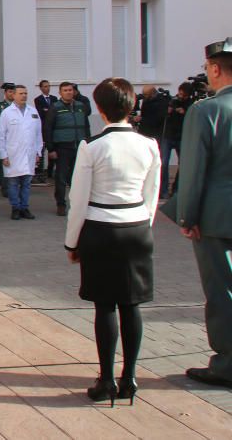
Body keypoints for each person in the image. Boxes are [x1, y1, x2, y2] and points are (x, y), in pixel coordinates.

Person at [64, 77, 161, 405]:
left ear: (101, 110)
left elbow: (78, 200)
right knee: (131, 304)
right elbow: (152, 194)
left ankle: (106, 377)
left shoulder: (92, 146)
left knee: (105, 304)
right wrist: (143, 226)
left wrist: (71, 242)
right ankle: (130, 376)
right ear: (130, 106)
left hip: (101, 228)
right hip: (136, 226)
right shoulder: (149, 144)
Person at [169, 37, 232, 389]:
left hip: (218, 216)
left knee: (222, 291)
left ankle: (227, 363)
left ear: (215, 69)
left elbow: (192, 171)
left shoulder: (206, 110)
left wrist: (187, 216)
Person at [45, 82, 92, 216]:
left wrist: (88, 143)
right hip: (62, 147)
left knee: (79, 178)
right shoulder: (55, 108)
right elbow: (47, 128)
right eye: (65, 90)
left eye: (70, 90)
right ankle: (61, 204)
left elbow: (86, 126)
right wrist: (51, 148)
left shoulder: (80, 106)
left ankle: (78, 205)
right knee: (61, 177)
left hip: (79, 146)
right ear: (60, 93)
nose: (68, 92)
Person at [0, 85, 43, 220]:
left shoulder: (33, 111)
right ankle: (15, 208)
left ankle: (25, 207)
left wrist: (38, 152)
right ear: (14, 95)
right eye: (21, 93)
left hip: (29, 154)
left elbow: (38, 134)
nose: (24, 96)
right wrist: (3, 155)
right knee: (12, 183)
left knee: (26, 183)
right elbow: (1, 136)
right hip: (13, 155)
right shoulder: (6, 113)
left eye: (26, 93)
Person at [161, 82, 194, 198]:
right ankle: (163, 190)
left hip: (182, 136)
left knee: (183, 164)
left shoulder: (191, 104)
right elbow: (163, 115)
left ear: (188, 95)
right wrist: (168, 111)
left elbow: (192, 119)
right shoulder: (173, 101)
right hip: (168, 135)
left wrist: (184, 113)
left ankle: (176, 189)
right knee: (164, 163)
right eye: (179, 94)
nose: (180, 97)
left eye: (183, 95)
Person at [0, 82, 16, 197]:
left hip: (15, 140)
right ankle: (5, 187)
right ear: (5, 93)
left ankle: (14, 186)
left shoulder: (18, 106)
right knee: (5, 166)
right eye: (10, 92)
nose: (12, 94)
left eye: (14, 92)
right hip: (5, 141)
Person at [34, 79, 58, 184]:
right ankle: (40, 173)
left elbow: (55, 111)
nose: (47, 88)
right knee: (42, 150)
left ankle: (50, 171)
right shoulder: (38, 99)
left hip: (53, 128)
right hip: (43, 128)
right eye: (45, 86)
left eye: (48, 86)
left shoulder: (54, 98)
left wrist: (47, 110)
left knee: (53, 150)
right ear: (41, 88)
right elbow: (41, 112)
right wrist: (48, 111)